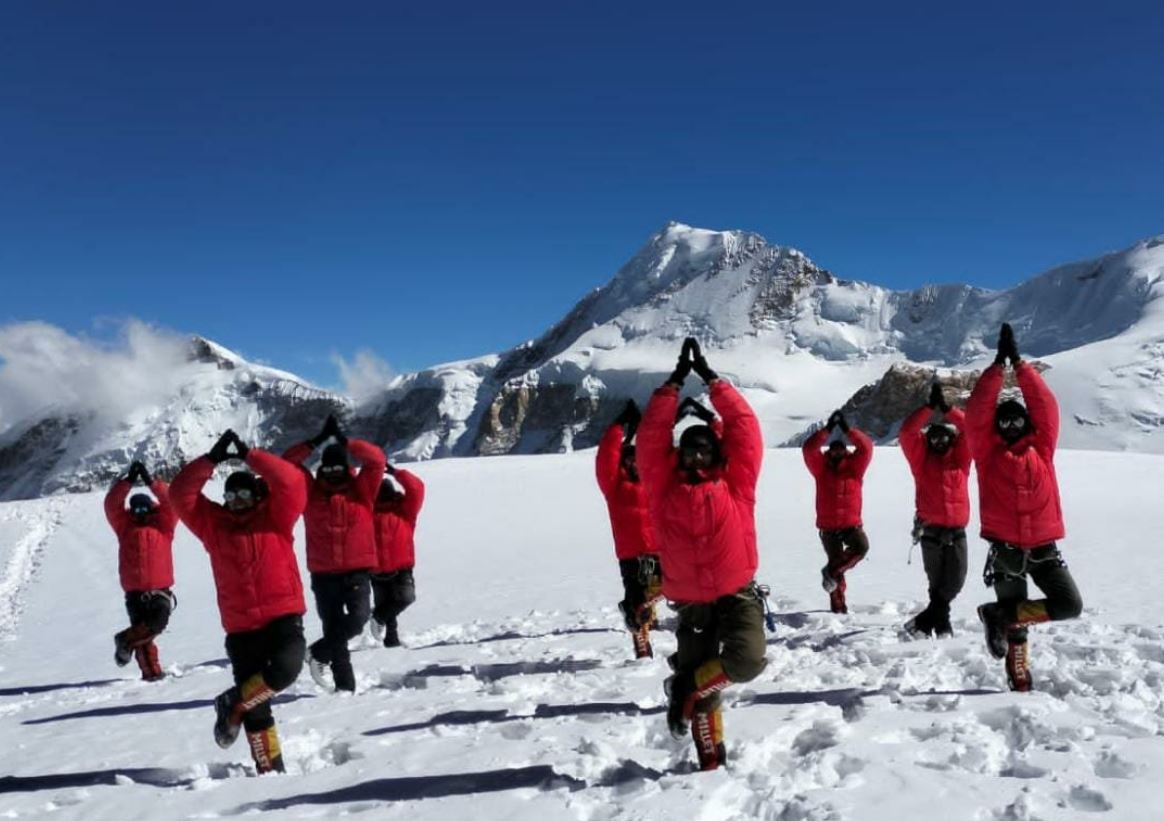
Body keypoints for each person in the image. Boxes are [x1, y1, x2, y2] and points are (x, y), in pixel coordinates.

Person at [637, 338, 767, 771]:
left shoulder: (736, 483)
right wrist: (671, 385)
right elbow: (651, 439)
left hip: (736, 592)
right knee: (704, 698)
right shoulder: (662, 486)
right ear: (678, 453)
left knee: (745, 661)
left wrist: (713, 381)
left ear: (716, 451)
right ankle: (710, 761)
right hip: (692, 602)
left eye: (704, 448)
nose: (696, 455)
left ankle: (685, 685)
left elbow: (745, 429)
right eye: (689, 447)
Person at [171, 430, 308, 775]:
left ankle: (232, 702)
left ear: (257, 494)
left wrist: (252, 456)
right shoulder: (212, 525)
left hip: (283, 618)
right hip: (241, 629)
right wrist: (210, 460)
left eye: (245, 492)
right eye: (231, 494)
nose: (237, 499)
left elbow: (292, 483)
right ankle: (270, 771)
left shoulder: (276, 515)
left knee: (286, 670)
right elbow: (179, 494)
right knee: (258, 711)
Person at [968, 323, 1083, 691]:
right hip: (1006, 550)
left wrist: (1020, 365)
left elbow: (1045, 406)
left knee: (1069, 605)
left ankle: (996, 614)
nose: (1013, 425)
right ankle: (1019, 679)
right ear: (998, 427)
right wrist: (996, 369)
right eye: (1005, 421)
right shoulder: (987, 453)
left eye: (1019, 419)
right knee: (1017, 629)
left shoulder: (1042, 448)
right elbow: (976, 415)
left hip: (1045, 548)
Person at [283, 414, 385, 691]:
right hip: (324, 575)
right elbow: (287, 463)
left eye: (337, 468)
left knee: (358, 619)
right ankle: (345, 688)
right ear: (320, 470)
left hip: (357, 571)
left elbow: (376, 460)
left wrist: (345, 441)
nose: (332, 473)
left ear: (346, 467)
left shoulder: (362, 489)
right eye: (326, 469)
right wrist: (315, 442)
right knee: (335, 632)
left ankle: (318, 652)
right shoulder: (309, 492)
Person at [899, 381, 971, 637]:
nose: (939, 441)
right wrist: (927, 408)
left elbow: (970, 429)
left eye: (944, 437)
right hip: (930, 529)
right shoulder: (921, 462)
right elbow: (907, 434)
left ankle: (922, 622)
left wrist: (949, 410)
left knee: (956, 579)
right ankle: (942, 625)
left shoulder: (962, 460)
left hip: (957, 529)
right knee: (936, 581)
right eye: (934, 437)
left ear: (952, 439)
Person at [595, 399, 663, 659]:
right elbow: (605, 457)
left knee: (667, 587)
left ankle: (640, 613)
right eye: (629, 461)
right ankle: (641, 638)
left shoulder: (653, 482)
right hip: (631, 554)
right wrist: (618, 426)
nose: (635, 465)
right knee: (638, 601)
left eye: (638, 460)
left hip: (659, 548)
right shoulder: (614, 485)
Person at [104, 460, 178, 681]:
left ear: (151, 508)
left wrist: (150, 482)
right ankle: (151, 674)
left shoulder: (164, 525)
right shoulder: (124, 526)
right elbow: (111, 505)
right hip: (135, 591)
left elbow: (170, 501)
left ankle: (124, 639)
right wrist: (127, 482)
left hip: (160, 589)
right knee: (143, 637)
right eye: (135, 509)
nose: (140, 512)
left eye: (144, 507)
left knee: (157, 624)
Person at [802, 411, 873, 614]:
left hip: (852, 524)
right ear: (828, 452)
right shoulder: (821, 468)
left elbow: (866, 447)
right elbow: (809, 449)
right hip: (829, 527)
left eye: (840, 450)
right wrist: (827, 430)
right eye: (833, 450)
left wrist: (848, 430)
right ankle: (838, 608)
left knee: (860, 548)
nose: (836, 453)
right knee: (837, 568)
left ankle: (831, 572)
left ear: (846, 451)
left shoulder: (855, 467)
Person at [369, 463, 426, 648]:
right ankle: (391, 640)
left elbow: (417, 488)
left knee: (404, 598)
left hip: (401, 567)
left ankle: (378, 618)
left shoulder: (404, 510)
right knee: (386, 604)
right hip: (376, 568)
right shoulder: (368, 513)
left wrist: (397, 473)